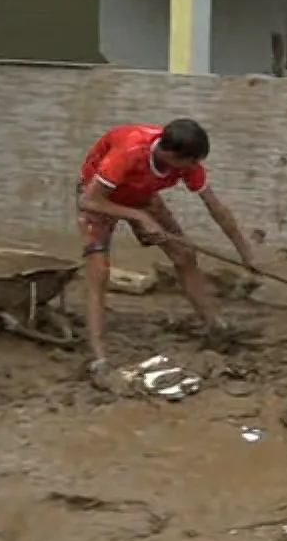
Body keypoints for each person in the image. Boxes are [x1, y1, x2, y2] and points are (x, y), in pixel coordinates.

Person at [76, 119, 258, 377]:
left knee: (185, 255)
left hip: (142, 196)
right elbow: (89, 200)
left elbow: (216, 208)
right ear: (170, 154)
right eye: (189, 163)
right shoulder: (129, 153)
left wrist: (245, 253)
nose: (193, 169)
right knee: (99, 272)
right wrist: (139, 218)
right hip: (100, 200)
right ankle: (100, 356)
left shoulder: (185, 163)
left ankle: (216, 326)